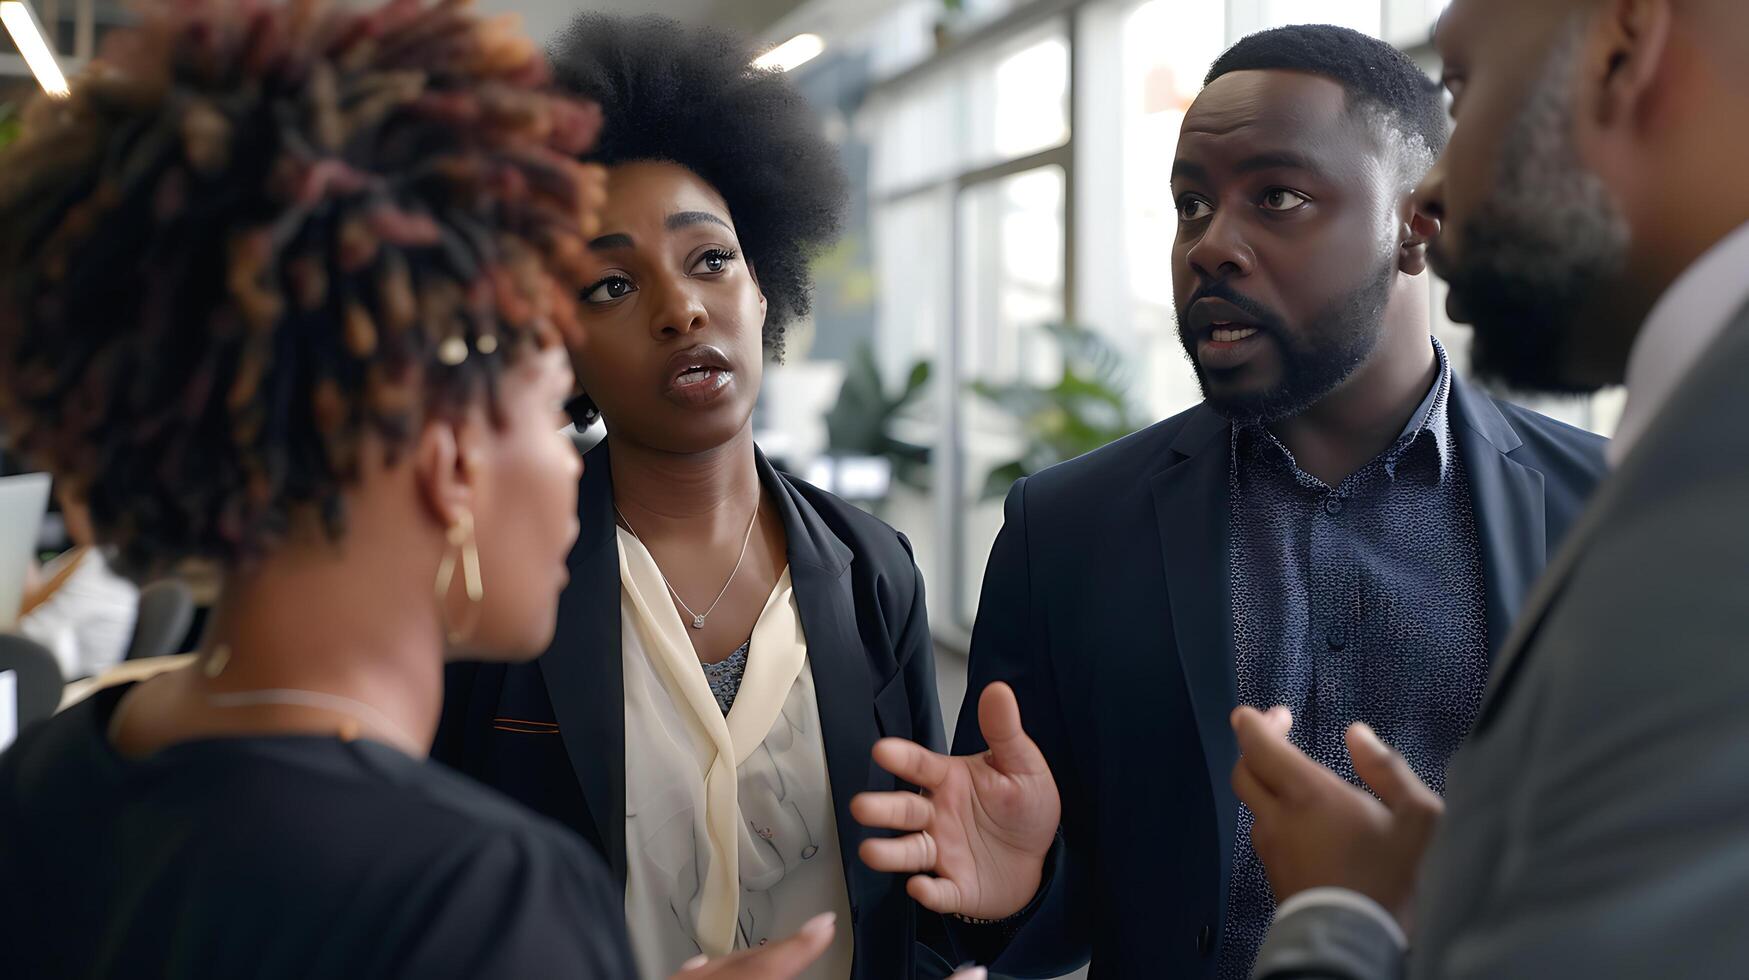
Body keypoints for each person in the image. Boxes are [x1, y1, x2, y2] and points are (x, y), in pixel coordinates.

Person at [0, 3, 848, 977]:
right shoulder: (483, 895)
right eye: (547, 412)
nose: (571, 462)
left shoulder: (45, 775)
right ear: (451, 466)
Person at [849, 24, 1610, 979]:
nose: (1211, 245)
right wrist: (1020, 887)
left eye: (1277, 198)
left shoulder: (1606, 513)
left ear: (1417, 223)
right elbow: (1033, 907)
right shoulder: (1070, 532)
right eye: (1190, 204)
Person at [1231, 0, 1749, 976]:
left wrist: (1344, 914)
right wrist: (1472, 888)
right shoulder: (1687, 453)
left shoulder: (1710, 500)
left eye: (1462, 91)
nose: (1431, 189)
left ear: (1621, 51)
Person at [434, 14, 951, 980]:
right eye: (610, 285)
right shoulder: (490, 576)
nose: (680, 308)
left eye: (710, 259)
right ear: (559, 338)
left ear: (764, 289)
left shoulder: (873, 569)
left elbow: (922, 889)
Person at [18, 487, 140, 678]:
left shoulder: (103, 567)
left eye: (67, 506)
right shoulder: (84, 555)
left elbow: (39, 637)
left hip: (72, 690)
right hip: (46, 673)